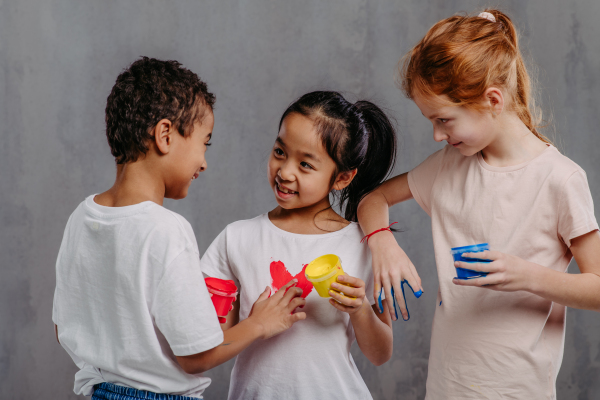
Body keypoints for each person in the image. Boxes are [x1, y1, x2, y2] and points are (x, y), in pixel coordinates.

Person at [357, 9, 600, 399]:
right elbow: (373, 199)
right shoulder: (447, 167)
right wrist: (382, 241)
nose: (437, 135)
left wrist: (526, 275)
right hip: (446, 387)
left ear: (492, 99)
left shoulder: (560, 179)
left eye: (445, 120)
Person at [52, 57, 305, 400]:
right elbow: (196, 357)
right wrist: (259, 323)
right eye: (205, 142)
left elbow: (63, 327)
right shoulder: (167, 230)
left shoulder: (81, 217)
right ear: (165, 135)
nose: (204, 161)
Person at [200, 91, 395, 399]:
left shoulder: (364, 246)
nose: (285, 171)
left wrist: (360, 311)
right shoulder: (236, 239)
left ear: (342, 178)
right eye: (280, 152)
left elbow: (380, 354)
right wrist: (256, 324)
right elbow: (209, 345)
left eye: (305, 164)